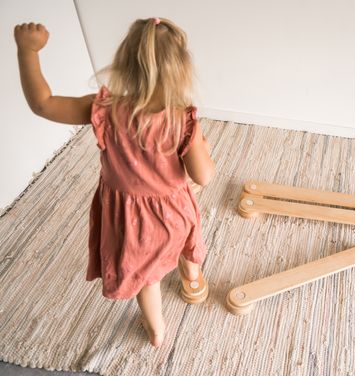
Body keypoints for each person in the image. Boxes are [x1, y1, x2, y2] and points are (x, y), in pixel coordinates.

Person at [14, 17, 215, 348]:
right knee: (188, 239)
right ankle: (192, 278)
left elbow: (43, 104)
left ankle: (156, 330)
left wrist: (27, 51)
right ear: (181, 69)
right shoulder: (182, 120)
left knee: (147, 280)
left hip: (130, 222)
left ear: (123, 63)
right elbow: (203, 176)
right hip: (174, 213)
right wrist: (202, 146)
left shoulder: (103, 109)